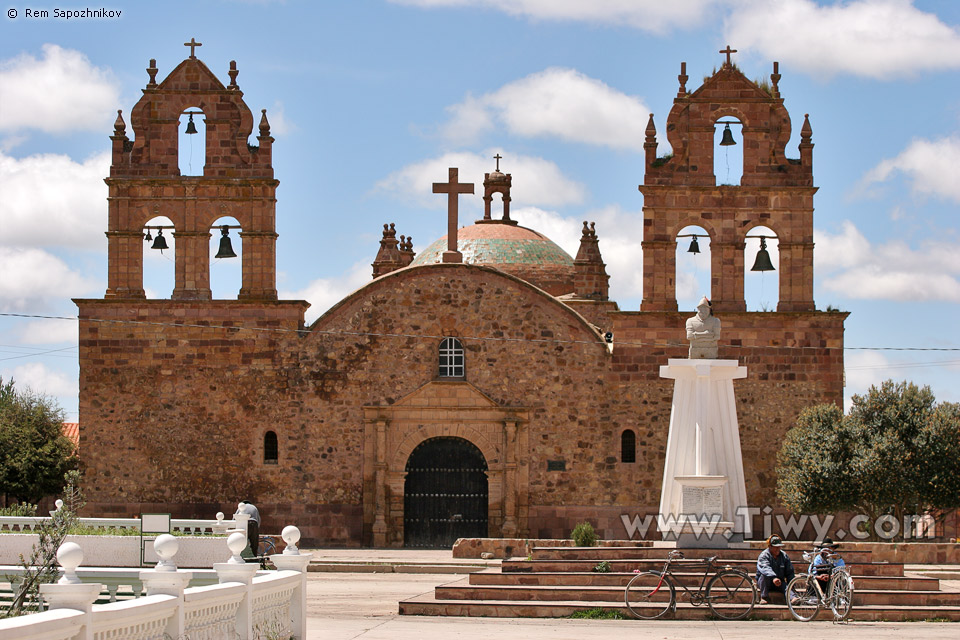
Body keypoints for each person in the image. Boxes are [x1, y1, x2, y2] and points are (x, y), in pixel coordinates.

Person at [756, 535, 795, 604]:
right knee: (764, 577)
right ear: (770, 546)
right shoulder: (764, 555)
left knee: (785, 586)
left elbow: (789, 571)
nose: (778, 549)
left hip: (779, 582)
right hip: (766, 582)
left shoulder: (784, 556)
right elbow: (765, 568)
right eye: (775, 547)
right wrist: (773, 578)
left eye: (779, 547)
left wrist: (792, 584)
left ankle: (792, 598)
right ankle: (764, 597)